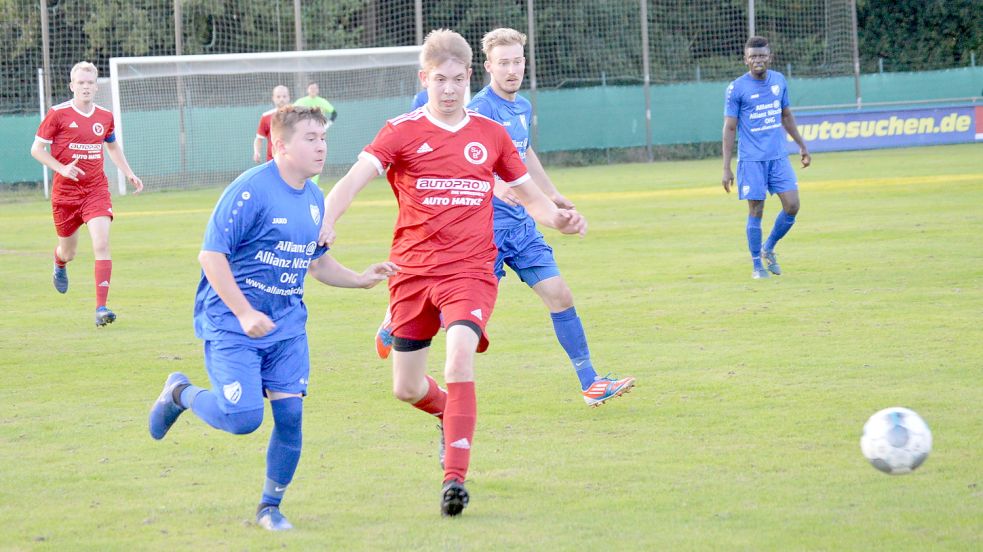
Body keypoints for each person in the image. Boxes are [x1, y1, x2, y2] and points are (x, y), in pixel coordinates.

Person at [319, 29, 586, 517]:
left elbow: (529, 197)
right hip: (412, 274)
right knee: (407, 388)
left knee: (459, 359)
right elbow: (352, 181)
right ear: (424, 78)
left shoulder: (491, 134)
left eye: (457, 80)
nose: (448, 89)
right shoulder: (400, 130)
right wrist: (327, 220)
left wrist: (559, 219)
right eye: (439, 79)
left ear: (468, 79)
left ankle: (454, 481)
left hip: (469, 271)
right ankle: (448, 413)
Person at [148, 105, 397, 531]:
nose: (321, 147)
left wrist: (359, 279)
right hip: (233, 326)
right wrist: (244, 313)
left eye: (323, 138)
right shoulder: (251, 190)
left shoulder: (316, 199)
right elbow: (211, 255)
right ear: (280, 146)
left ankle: (270, 507)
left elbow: (315, 264)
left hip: (287, 328)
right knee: (244, 419)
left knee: (291, 417)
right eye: (310, 139)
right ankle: (180, 394)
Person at [381, 28, 635, 408]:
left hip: (519, 226)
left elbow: (524, 155)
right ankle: (394, 322)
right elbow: (464, 163)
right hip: (480, 232)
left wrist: (551, 194)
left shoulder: (522, 107)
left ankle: (590, 382)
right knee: (453, 319)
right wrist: (497, 187)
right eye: (504, 63)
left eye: (517, 61)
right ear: (487, 68)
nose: (512, 69)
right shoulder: (479, 110)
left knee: (560, 294)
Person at [30, 61, 144, 327]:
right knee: (68, 252)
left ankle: (101, 308)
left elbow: (112, 147)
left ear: (96, 86)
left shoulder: (105, 116)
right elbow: (36, 150)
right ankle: (59, 263)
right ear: (72, 86)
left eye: (90, 82)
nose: (85, 87)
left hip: (95, 190)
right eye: (80, 82)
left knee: (101, 244)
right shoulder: (57, 114)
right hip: (65, 195)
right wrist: (61, 168)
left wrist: (128, 172)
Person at [722, 36, 811, 279]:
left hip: (778, 157)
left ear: (769, 57)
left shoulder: (779, 81)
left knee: (793, 205)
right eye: (753, 57)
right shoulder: (736, 88)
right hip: (751, 160)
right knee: (756, 210)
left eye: (762, 55)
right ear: (745, 60)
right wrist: (726, 167)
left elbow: (786, 115)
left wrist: (802, 145)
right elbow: (730, 128)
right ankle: (756, 266)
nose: (758, 60)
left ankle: (768, 248)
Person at [253, 85, 291, 164]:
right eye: (278, 97)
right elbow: (259, 139)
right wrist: (257, 152)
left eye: (284, 96)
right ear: (273, 98)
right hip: (273, 161)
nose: (281, 99)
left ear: (289, 97)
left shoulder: (297, 115)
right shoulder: (266, 116)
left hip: (292, 159)